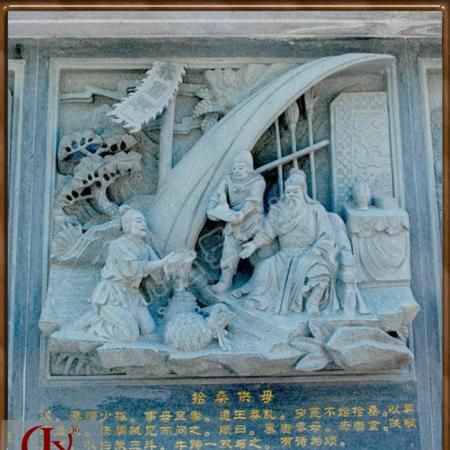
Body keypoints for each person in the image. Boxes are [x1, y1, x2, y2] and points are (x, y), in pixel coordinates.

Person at [235, 168, 339, 315]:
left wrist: (316, 251)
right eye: (288, 192)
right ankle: (257, 300)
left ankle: (312, 303)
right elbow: (267, 233)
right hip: (284, 255)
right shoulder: (278, 210)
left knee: (320, 272)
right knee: (266, 268)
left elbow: (327, 235)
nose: (291, 195)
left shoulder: (316, 210)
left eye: (295, 191)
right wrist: (253, 245)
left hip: (309, 254)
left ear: (303, 191)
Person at [75, 206, 174, 343]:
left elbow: (158, 276)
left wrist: (170, 265)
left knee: (149, 330)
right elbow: (132, 270)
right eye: (138, 221)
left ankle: (111, 318)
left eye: (144, 222)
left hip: (132, 295)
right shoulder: (118, 245)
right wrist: (162, 262)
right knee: (129, 335)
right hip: (112, 294)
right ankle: (96, 322)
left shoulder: (145, 248)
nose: (143, 225)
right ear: (127, 225)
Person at [207, 151, 266, 294]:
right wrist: (212, 209)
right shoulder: (228, 180)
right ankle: (225, 281)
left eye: (240, 168)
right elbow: (216, 196)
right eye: (234, 168)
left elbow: (253, 202)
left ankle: (261, 281)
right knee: (229, 250)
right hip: (234, 221)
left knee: (262, 249)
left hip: (254, 221)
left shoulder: (258, 182)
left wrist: (242, 213)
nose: (236, 171)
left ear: (249, 168)